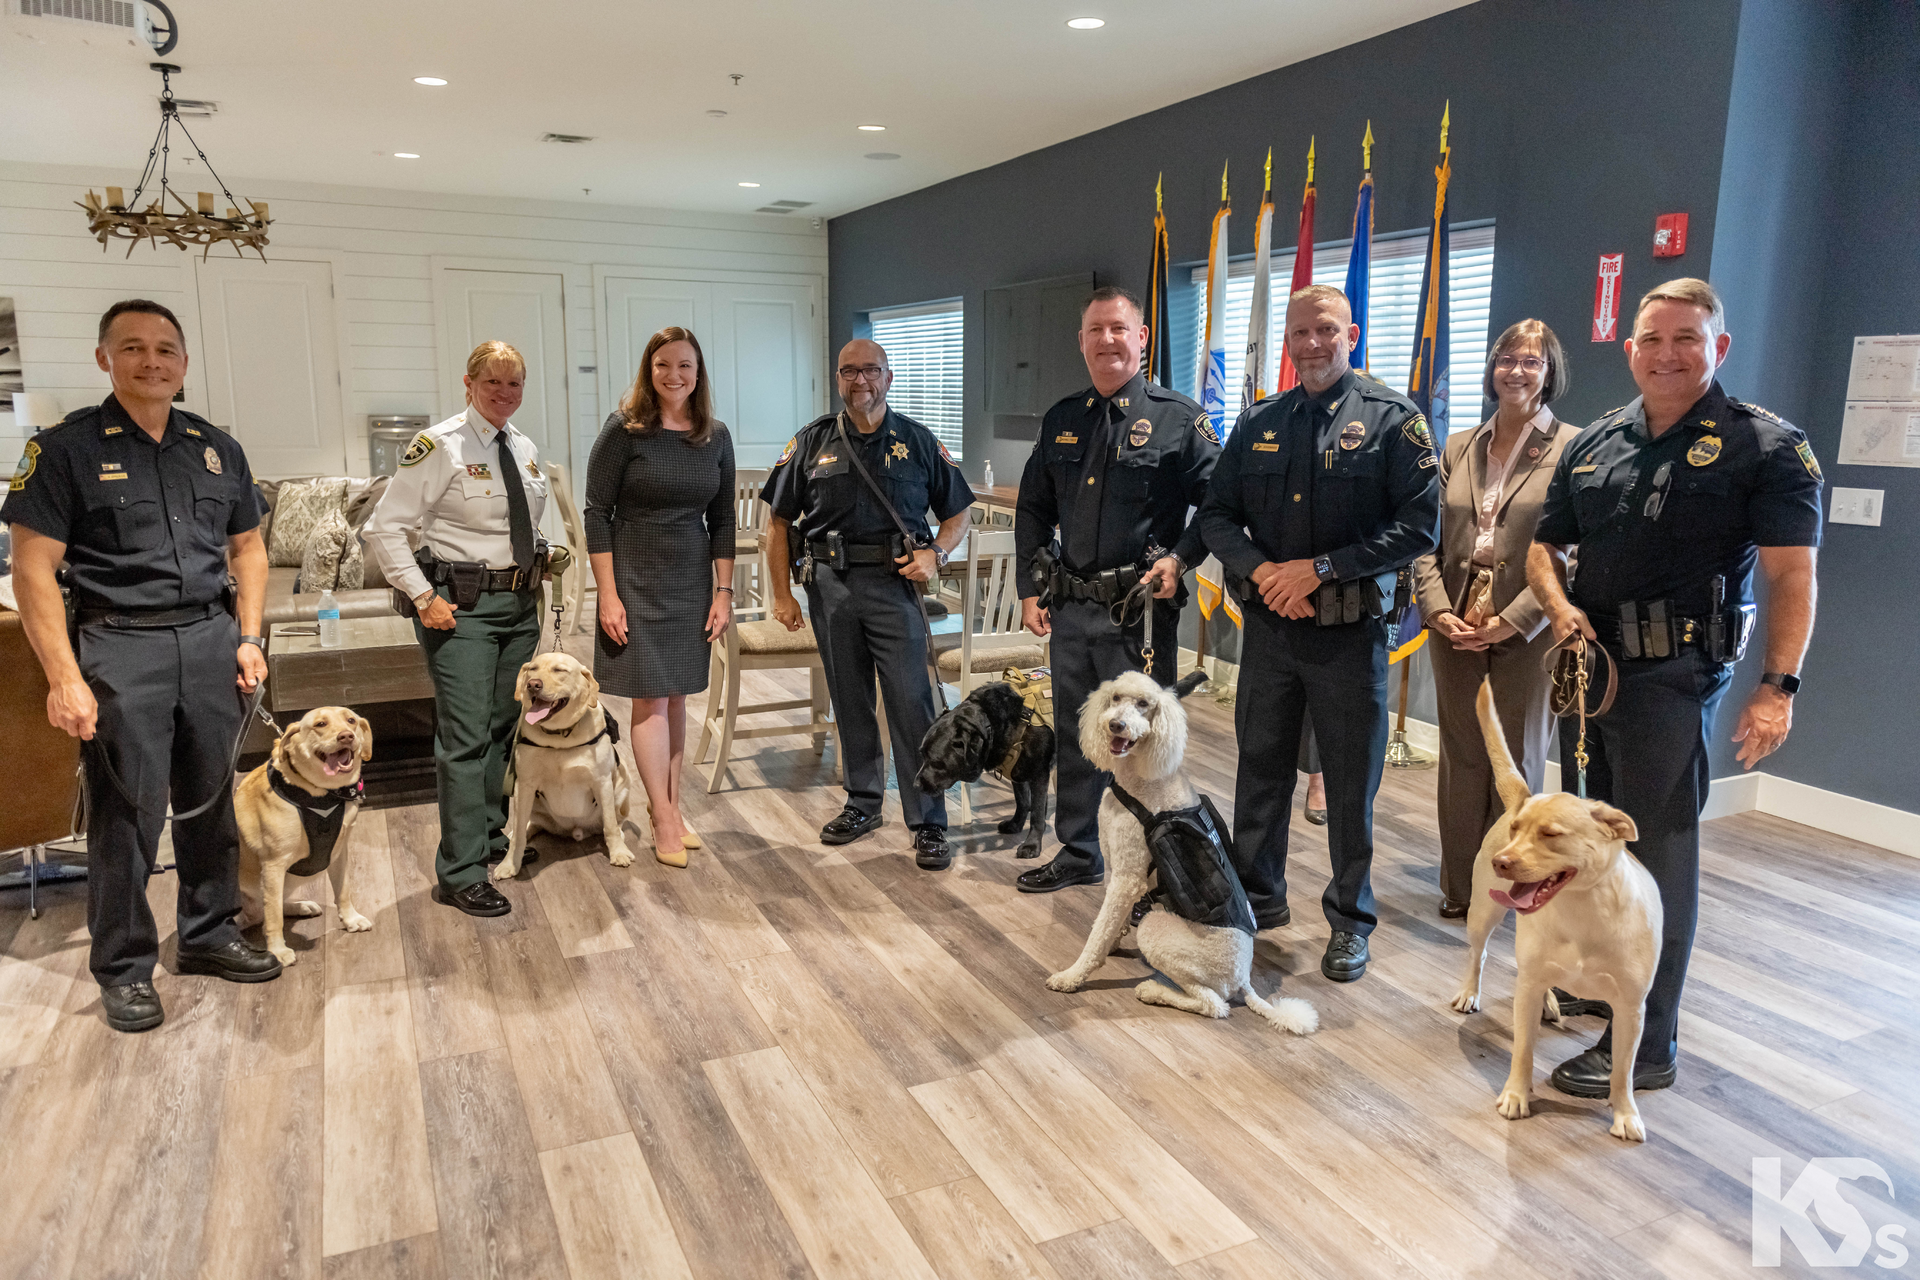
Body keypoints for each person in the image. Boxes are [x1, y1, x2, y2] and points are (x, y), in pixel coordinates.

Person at [1527, 278, 1819, 1097]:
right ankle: (1607, 986)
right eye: (1652, 338)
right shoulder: (1599, 441)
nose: (1666, 354)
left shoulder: (1764, 446)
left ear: (1718, 348)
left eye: (1686, 339)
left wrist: (1778, 688)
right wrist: (1557, 611)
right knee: (1592, 846)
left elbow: (1792, 575)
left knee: (1659, 854)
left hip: (1674, 677)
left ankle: (1649, 1043)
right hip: (1592, 672)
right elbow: (1545, 550)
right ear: (1629, 349)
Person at [4, 299, 281, 1033]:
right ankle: (125, 968)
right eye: (133, 348)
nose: (151, 361)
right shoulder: (62, 450)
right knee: (127, 815)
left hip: (212, 640)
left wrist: (249, 636)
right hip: (120, 645)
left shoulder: (216, 447)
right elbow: (33, 571)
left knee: (212, 797)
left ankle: (209, 932)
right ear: (105, 359)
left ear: (184, 364)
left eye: (165, 350)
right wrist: (65, 677)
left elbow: (247, 548)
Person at [1197, 284, 1439, 982]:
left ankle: (1350, 921)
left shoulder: (1395, 420)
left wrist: (1320, 571)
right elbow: (1217, 516)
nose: (1312, 344)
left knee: (1349, 785)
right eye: (1300, 332)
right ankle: (1258, 901)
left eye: (1326, 330)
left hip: (1349, 636)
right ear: (1288, 342)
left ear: (1352, 334)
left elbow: (1419, 528)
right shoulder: (1260, 421)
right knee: (1261, 771)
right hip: (1272, 633)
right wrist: (1267, 572)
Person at [1013, 285, 1219, 894]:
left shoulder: (1180, 419)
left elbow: (1218, 507)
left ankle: (1155, 859)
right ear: (1082, 342)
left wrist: (1182, 558)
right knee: (1084, 737)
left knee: (1144, 745)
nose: (1107, 340)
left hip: (1140, 615)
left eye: (1119, 329)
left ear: (1142, 338)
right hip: (1072, 608)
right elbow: (1032, 508)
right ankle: (1080, 851)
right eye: (1096, 330)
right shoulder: (1062, 419)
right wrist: (1030, 585)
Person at [762, 338, 973, 869]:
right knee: (849, 699)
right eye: (849, 372)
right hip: (829, 586)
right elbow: (778, 523)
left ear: (889, 377)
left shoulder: (919, 441)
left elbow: (958, 514)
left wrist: (937, 555)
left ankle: (928, 820)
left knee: (911, 702)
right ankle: (862, 803)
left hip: (895, 586)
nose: (861, 381)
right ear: (838, 379)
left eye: (871, 371)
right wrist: (783, 593)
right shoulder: (811, 442)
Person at [365, 341, 547, 918]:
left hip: (520, 607)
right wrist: (422, 597)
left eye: (514, 384)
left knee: (501, 727)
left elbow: (533, 521)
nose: (504, 394)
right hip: (459, 610)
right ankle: (461, 872)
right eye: (492, 383)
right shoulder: (439, 445)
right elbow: (384, 528)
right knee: (465, 737)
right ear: (467, 384)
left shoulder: (524, 447)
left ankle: (489, 840)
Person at [1412, 319, 1580, 918]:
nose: (1517, 370)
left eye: (1532, 361)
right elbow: (1423, 540)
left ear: (1550, 373)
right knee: (1462, 759)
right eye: (1507, 358)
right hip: (1456, 621)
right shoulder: (1458, 445)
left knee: (1517, 758)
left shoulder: (1573, 447)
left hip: (1527, 625)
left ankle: (1515, 887)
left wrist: (1518, 618)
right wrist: (1435, 610)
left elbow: (1573, 552)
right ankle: (1463, 888)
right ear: (1491, 367)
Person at [585, 327, 735, 867]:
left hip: (691, 578)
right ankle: (665, 815)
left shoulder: (714, 435)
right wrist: (607, 594)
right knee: (649, 696)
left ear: (699, 373)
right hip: (634, 576)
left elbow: (722, 520)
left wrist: (723, 592)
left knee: (676, 697)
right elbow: (595, 513)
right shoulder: (624, 431)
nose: (675, 375)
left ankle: (667, 806)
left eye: (686, 366)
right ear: (649, 370)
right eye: (663, 364)